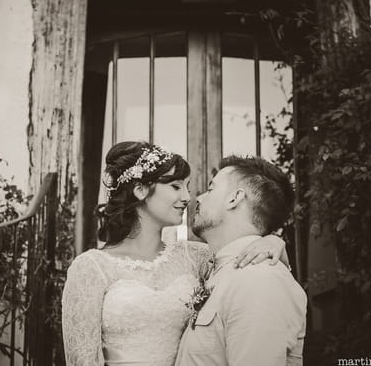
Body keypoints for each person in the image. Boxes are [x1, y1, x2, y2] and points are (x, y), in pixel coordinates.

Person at [61, 142, 289, 366]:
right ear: (140, 190)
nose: (188, 197)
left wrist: (273, 240)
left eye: (188, 187)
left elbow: (238, 260)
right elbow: (82, 359)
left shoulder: (196, 257)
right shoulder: (91, 267)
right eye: (176, 186)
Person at [174, 155, 307, 366]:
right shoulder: (224, 272)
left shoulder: (259, 279)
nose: (197, 198)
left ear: (234, 198)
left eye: (210, 189)